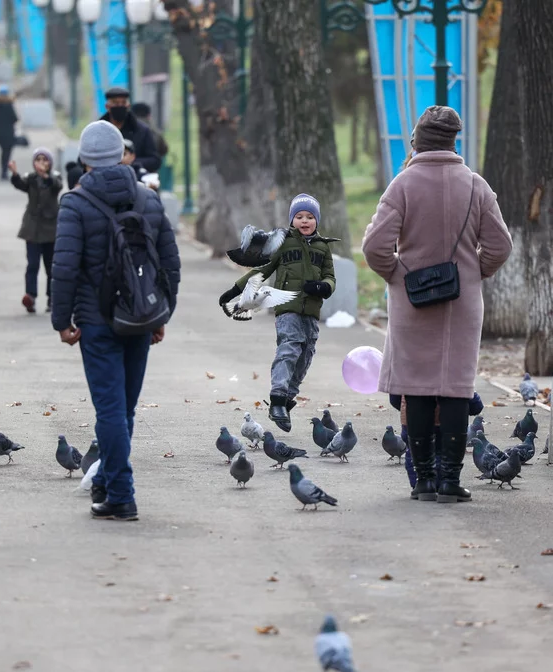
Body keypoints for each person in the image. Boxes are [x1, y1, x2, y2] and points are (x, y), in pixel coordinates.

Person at [362, 105, 513, 503]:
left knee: (419, 387)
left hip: (412, 301)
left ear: (419, 141)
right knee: (455, 390)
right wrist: (472, 271)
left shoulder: (402, 185)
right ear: (452, 140)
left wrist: (398, 274)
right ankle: (450, 481)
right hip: (462, 303)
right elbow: (500, 245)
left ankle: (424, 480)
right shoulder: (476, 185)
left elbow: (375, 246)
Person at [50, 120, 181, 522]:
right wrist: (162, 313)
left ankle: (121, 494)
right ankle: (107, 480)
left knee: (109, 409)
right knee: (124, 410)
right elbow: (169, 264)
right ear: (122, 154)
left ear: (85, 159)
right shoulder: (148, 199)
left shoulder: (75, 203)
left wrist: (62, 320)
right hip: (140, 319)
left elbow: (65, 268)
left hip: (97, 322)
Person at [218, 194, 336, 433]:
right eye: (299, 216)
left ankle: (285, 400)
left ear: (317, 220)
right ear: (292, 220)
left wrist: (325, 287)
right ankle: (278, 398)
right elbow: (260, 271)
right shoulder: (283, 244)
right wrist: (235, 290)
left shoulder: (323, 248)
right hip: (287, 311)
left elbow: (330, 276)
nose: (305, 221)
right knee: (289, 348)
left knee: (305, 356)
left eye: (310, 217)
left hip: (312, 311)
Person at [9, 147, 62, 314]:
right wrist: (15, 174)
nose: (41, 164)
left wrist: (46, 176)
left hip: (50, 229)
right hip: (32, 229)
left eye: (44, 160)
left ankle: (52, 298)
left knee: (50, 266)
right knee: (32, 264)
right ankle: (30, 296)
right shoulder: (31, 178)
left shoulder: (55, 177)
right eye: (38, 160)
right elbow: (20, 185)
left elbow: (56, 185)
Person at [101, 87, 161, 180]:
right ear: (107, 107)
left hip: (135, 182)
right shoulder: (99, 130)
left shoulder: (142, 130)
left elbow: (155, 160)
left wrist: (132, 162)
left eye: (123, 103)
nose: (120, 106)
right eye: (116, 103)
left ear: (128, 106)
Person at [0, 86, 19, 181]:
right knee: (7, 152)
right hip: (9, 132)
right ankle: (4, 171)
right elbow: (15, 118)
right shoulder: (9, 104)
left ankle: (3, 171)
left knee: (3, 151)